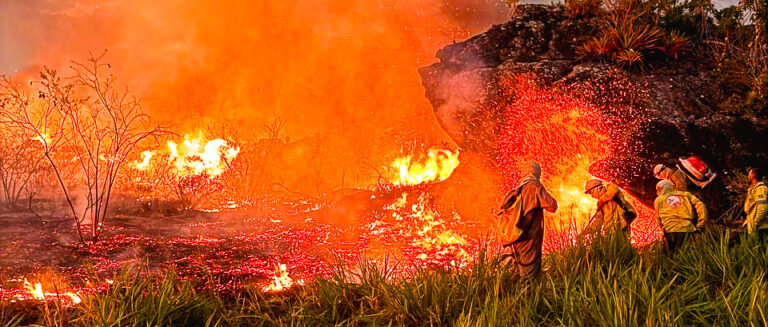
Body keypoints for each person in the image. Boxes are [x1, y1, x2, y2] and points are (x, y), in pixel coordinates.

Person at [497, 162, 558, 278]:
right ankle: (528, 296)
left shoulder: (516, 190)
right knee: (529, 277)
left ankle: (514, 296)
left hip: (516, 238)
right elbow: (552, 206)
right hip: (529, 240)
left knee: (518, 274)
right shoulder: (534, 186)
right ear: (537, 172)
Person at [654, 180, 708, 253]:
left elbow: (658, 219)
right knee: (692, 257)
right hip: (688, 229)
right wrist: (701, 224)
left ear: (660, 189)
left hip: (670, 232)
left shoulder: (658, 200)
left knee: (675, 259)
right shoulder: (685, 195)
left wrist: (663, 230)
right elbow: (700, 206)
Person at [743, 167, 768, 239]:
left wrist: (755, 222)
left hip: (761, 228)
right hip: (755, 227)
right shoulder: (753, 189)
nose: (748, 176)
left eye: (749, 174)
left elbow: (763, 209)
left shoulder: (760, 189)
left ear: (753, 175)